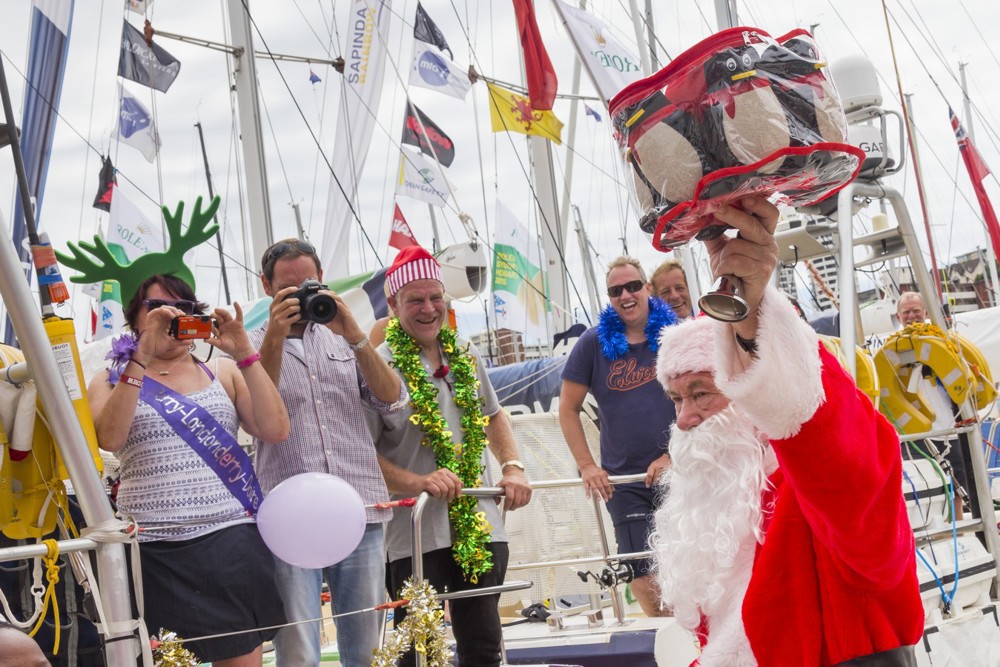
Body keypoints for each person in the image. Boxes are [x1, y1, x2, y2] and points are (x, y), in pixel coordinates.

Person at [651, 196, 923, 666]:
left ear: (749, 386)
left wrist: (754, 313)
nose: (684, 420)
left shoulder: (809, 484)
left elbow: (838, 453)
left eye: (701, 393)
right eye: (677, 399)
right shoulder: (726, 505)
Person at [88, 274, 289, 667]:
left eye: (184, 308)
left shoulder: (225, 371)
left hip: (231, 539)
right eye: (158, 308)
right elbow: (109, 438)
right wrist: (141, 356)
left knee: (241, 658)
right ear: (136, 319)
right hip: (153, 547)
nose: (173, 316)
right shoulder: (110, 378)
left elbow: (275, 429)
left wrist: (245, 350)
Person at [366, 246, 532, 667]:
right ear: (392, 305)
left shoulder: (465, 352)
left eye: (435, 297)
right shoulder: (377, 367)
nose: (428, 309)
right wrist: (419, 483)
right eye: (415, 300)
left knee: (483, 645)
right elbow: (363, 457)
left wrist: (512, 467)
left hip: (480, 524)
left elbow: (494, 418)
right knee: (415, 655)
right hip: (414, 535)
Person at [249, 239, 407, 667]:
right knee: (297, 645)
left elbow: (392, 400)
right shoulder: (250, 346)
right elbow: (254, 413)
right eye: (289, 288)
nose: (303, 295)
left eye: (311, 284)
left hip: (360, 507)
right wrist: (276, 336)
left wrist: (355, 334)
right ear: (266, 287)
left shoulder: (343, 337)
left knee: (367, 644)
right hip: (288, 516)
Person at [558, 256, 677, 617]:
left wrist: (675, 454)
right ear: (609, 298)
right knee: (643, 572)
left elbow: (707, 401)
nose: (625, 295)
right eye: (615, 290)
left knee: (691, 562)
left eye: (632, 286)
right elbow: (568, 409)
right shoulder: (592, 343)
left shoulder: (676, 335)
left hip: (680, 471)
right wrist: (586, 465)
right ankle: (668, 641)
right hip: (624, 481)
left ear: (647, 289)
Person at [895, 291, 969, 519]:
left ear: (925, 313)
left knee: (958, 488)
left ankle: (960, 535)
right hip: (916, 435)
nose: (911, 316)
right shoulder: (891, 350)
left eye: (916, 310)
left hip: (949, 430)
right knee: (928, 489)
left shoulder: (942, 343)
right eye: (906, 312)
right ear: (898, 317)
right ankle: (937, 536)